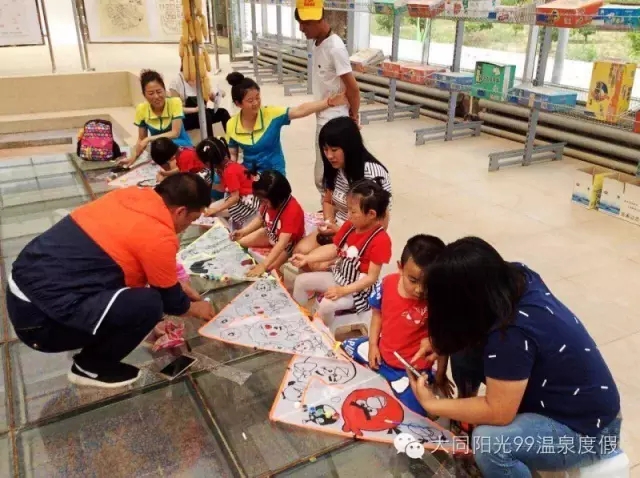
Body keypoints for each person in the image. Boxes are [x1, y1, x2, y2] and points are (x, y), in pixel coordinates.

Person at [406, 237, 622, 477]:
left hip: (590, 434)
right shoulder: (515, 277)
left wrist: (432, 404)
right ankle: (465, 420)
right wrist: (443, 341)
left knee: (489, 443)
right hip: (573, 405)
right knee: (464, 351)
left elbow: (499, 412)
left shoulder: (510, 335)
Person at [6, 174, 216, 388]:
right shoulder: (160, 233)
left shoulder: (126, 197)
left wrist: (172, 286)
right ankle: (91, 367)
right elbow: (171, 301)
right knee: (150, 303)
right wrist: (195, 308)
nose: (187, 226)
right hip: (41, 325)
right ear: (180, 211)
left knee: (144, 300)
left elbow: (130, 260)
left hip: (23, 293)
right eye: (191, 220)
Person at [341, 235, 453, 416]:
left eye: (429, 284)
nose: (420, 290)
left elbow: (442, 344)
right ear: (400, 268)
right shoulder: (387, 284)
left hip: (411, 370)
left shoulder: (438, 301)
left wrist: (441, 374)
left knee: (418, 412)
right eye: (413, 280)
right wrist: (373, 345)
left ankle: (418, 382)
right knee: (343, 348)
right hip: (382, 354)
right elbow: (377, 315)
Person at [291, 179, 392, 326]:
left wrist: (343, 291)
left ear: (371, 214)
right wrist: (307, 258)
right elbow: (334, 249)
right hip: (340, 276)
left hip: (359, 291)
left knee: (326, 304)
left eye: (353, 211)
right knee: (300, 281)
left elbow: (371, 278)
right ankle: (298, 322)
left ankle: (323, 334)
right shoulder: (351, 225)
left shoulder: (381, 240)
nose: (348, 215)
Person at [294, 117, 391, 266]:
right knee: (299, 252)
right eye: (325, 150)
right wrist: (328, 222)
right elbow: (328, 200)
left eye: (334, 150)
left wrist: (343, 233)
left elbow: (381, 223)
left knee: (315, 264)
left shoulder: (372, 174)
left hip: (358, 237)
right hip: (337, 228)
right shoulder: (335, 167)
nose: (329, 156)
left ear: (350, 147)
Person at [295, 0, 361, 198]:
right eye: (300, 22)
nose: (301, 28)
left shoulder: (335, 48)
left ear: (320, 19)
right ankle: (332, 209)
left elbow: (353, 88)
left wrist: (354, 116)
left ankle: (336, 210)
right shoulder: (318, 43)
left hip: (334, 119)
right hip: (323, 115)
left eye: (306, 23)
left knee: (325, 177)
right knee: (326, 176)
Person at [225, 72, 346, 176]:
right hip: (249, 175)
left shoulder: (271, 114)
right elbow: (233, 154)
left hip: (275, 175)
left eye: (258, 97)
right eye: (250, 100)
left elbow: (299, 110)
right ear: (238, 103)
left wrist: (329, 102)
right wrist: (231, 173)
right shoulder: (231, 124)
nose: (256, 103)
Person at [231, 170, 305, 278]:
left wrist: (263, 265)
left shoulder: (292, 210)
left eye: (264, 201)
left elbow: (282, 243)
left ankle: (279, 282)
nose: (262, 203)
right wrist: (243, 232)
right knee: (239, 243)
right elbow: (260, 219)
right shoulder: (268, 201)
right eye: (261, 200)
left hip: (288, 245)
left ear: (278, 198)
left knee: (270, 269)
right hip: (270, 233)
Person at [120, 70, 193, 166]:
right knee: (159, 148)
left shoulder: (175, 103)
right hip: (160, 152)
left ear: (164, 90)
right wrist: (132, 158)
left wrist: (149, 139)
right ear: (144, 94)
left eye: (159, 91)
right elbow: (141, 139)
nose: (156, 96)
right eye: (151, 93)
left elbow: (175, 133)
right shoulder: (141, 109)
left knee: (161, 147)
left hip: (181, 147)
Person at [195, 137, 259, 227]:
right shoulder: (222, 168)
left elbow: (235, 198)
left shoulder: (229, 171)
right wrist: (209, 185)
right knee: (210, 210)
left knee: (212, 212)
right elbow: (223, 188)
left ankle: (229, 231)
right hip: (239, 197)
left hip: (248, 203)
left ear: (208, 163)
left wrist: (216, 210)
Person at [169, 63, 231, 137]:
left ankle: (232, 140)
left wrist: (219, 95)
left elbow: (212, 97)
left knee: (223, 113)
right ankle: (209, 142)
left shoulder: (202, 79)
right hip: (186, 117)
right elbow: (175, 109)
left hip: (202, 113)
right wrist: (195, 110)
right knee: (205, 116)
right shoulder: (176, 82)